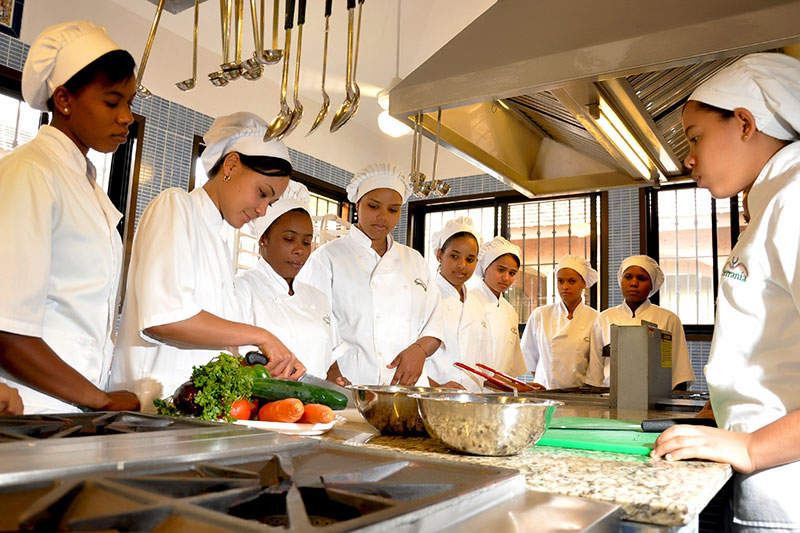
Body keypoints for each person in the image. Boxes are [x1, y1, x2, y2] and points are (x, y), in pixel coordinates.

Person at [651, 53, 800, 531]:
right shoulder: (770, 205)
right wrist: (723, 406)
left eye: (695, 137)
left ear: (744, 123)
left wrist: (751, 446)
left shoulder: (794, 201)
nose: (688, 158)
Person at [110, 112, 305, 411]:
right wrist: (262, 336)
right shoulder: (176, 206)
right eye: (262, 193)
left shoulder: (220, 244)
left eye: (271, 202)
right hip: (150, 411)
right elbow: (165, 319)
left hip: (191, 415)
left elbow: (207, 343)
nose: (263, 210)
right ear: (231, 165)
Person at [0, 21, 140, 414]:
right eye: (112, 102)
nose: (127, 117)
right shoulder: (30, 172)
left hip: (73, 408)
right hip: (29, 409)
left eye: (130, 103)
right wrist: (100, 400)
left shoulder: (84, 184)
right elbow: (7, 328)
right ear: (64, 100)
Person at [299, 163, 444, 386]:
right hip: (352, 380)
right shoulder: (328, 257)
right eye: (374, 206)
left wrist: (420, 350)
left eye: (393, 210)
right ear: (358, 204)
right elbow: (314, 323)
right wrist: (332, 373)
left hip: (408, 385)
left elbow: (435, 323)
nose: (383, 217)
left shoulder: (414, 260)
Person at [235, 182, 334, 379]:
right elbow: (231, 359)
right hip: (260, 406)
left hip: (317, 407)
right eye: (289, 239)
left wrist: (335, 380)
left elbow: (328, 360)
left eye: (307, 242)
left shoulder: (318, 298)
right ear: (263, 239)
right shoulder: (241, 289)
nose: (300, 250)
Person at [585, 255, 694, 390]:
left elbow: (679, 370)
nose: (634, 283)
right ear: (621, 280)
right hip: (611, 397)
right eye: (628, 277)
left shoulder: (668, 319)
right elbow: (596, 370)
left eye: (642, 279)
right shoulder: (604, 318)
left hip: (655, 399)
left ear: (651, 285)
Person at [425, 217, 487, 390]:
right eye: (454, 256)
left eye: (470, 259)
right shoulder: (426, 295)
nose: (462, 265)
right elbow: (405, 353)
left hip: (472, 397)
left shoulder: (475, 303)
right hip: (431, 398)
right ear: (439, 255)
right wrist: (436, 388)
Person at [521, 255, 599, 389]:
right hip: (545, 393)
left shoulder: (596, 318)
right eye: (560, 281)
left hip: (578, 396)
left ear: (584, 283)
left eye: (572, 281)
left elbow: (597, 365)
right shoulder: (540, 315)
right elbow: (529, 356)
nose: (565, 287)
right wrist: (544, 381)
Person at [469, 237, 528, 381]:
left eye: (512, 273)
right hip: (473, 388)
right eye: (501, 270)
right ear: (485, 267)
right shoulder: (469, 302)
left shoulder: (510, 311)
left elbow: (512, 363)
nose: (506, 278)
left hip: (503, 392)